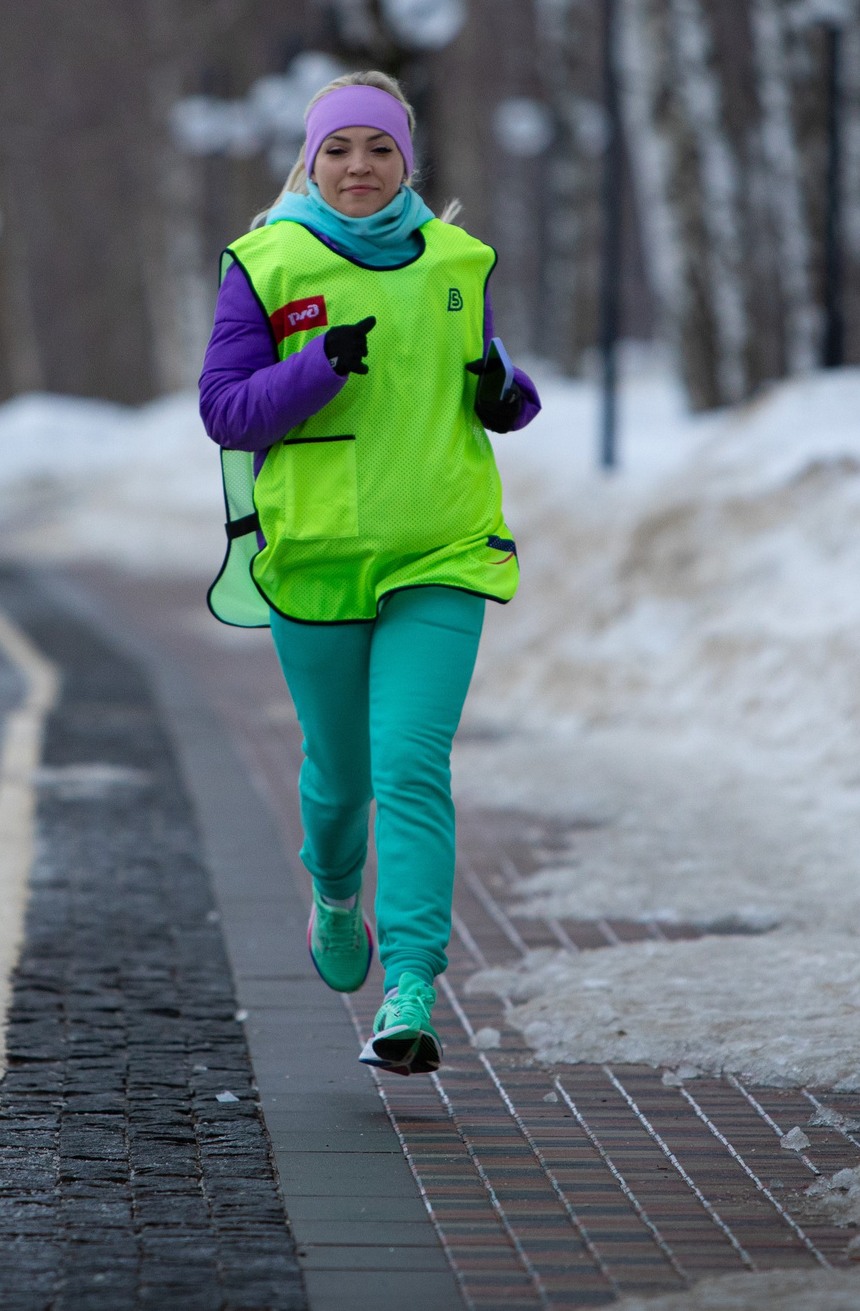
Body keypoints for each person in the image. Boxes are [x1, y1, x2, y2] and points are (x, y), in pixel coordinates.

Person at [196, 71, 538, 1076]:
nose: (358, 168)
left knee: (409, 765)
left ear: (408, 162)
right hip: (316, 558)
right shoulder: (266, 264)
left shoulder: (455, 260)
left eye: (379, 150)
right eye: (338, 149)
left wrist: (505, 393)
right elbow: (226, 411)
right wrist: (316, 368)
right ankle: (335, 893)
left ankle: (411, 987)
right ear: (309, 161)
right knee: (341, 779)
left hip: (442, 547)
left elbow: (491, 386)